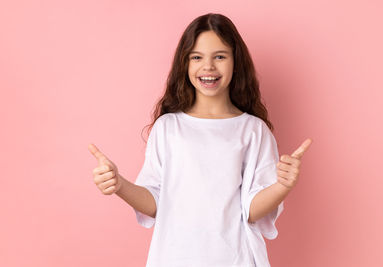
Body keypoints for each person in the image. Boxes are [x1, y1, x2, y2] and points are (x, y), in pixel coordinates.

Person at [88, 13, 312, 267]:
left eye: (219, 56)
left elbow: (251, 209)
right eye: (197, 57)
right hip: (173, 258)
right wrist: (119, 184)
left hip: (235, 259)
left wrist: (283, 186)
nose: (208, 67)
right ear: (185, 64)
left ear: (235, 62)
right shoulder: (168, 128)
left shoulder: (253, 130)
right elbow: (154, 201)